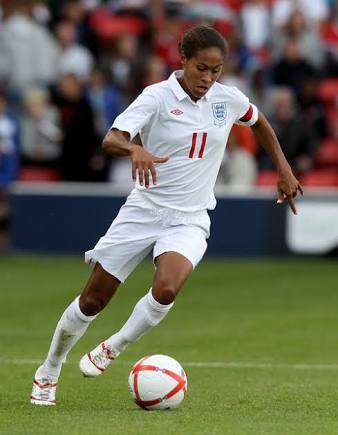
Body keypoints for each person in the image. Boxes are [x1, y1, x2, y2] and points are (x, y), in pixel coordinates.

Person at [30, 25, 303, 406]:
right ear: (183, 59)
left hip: (190, 217)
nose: (208, 78)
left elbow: (258, 122)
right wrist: (133, 150)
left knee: (167, 288)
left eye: (216, 70)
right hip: (143, 211)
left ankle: (113, 346)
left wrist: (283, 169)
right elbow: (111, 138)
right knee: (92, 301)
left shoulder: (228, 99)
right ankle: (50, 369)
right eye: (201, 68)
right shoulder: (156, 97)